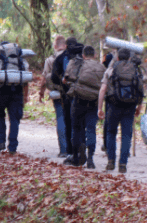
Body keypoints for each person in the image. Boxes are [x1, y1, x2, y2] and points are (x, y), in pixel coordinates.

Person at [98, 48, 144, 174]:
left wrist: (99, 108)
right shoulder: (135, 70)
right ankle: (123, 164)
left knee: (111, 133)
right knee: (126, 135)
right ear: (129, 57)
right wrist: (139, 107)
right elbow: (140, 90)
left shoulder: (111, 70)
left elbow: (102, 90)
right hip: (130, 106)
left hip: (113, 105)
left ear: (117, 57)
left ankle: (111, 161)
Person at [0, 41, 30, 155]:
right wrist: (25, 96)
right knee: (15, 119)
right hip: (17, 93)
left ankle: (0, 142)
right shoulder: (21, 61)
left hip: (1, 91)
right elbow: (25, 81)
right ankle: (12, 147)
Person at [66, 45, 105, 168]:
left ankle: (76, 157)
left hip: (79, 99)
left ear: (83, 55)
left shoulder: (77, 64)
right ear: (94, 55)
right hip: (94, 101)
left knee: (77, 128)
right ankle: (90, 159)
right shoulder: (101, 67)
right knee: (91, 129)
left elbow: (67, 79)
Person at [51, 37, 84, 165]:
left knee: (70, 123)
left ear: (66, 45)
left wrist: (62, 83)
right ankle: (84, 149)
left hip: (68, 95)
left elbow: (54, 77)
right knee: (83, 123)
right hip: (85, 95)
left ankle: (71, 152)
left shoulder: (61, 58)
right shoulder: (84, 55)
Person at [39, 35, 68, 158]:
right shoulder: (70, 57)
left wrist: (41, 93)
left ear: (55, 46)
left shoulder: (50, 60)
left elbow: (44, 78)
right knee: (71, 119)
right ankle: (73, 149)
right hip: (71, 93)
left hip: (57, 93)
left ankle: (63, 150)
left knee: (60, 118)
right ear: (65, 46)